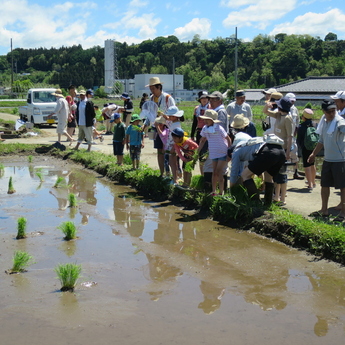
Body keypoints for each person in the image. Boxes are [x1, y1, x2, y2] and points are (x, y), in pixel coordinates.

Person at [308, 100, 345, 221]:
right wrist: (313, 154)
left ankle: (343, 213)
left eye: (333, 111)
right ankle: (324, 210)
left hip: (340, 160)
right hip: (328, 159)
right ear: (324, 112)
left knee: (343, 187)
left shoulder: (340, 122)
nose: (332, 114)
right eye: (329, 112)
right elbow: (321, 141)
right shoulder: (324, 122)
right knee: (324, 185)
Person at [228, 135, 286, 205]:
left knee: (245, 175)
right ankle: (268, 204)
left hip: (268, 152)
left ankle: (256, 202)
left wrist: (231, 189)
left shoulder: (235, 152)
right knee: (269, 177)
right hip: (281, 152)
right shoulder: (247, 146)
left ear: (231, 154)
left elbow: (234, 172)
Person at [263, 96, 293, 205]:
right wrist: (267, 105)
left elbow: (290, 137)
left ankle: (283, 199)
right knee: (275, 172)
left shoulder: (288, 119)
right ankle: (276, 196)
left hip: (283, 149)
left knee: (282, 174)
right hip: (276, 147)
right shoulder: (278, 115)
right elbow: (265, 111)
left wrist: (288, 152)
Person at [145, 76, 176, 176]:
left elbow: (174, 113)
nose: (152, 90)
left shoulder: (168, 98)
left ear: (159, 87)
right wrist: (145, 125)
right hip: (156, 127)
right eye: (150, 88)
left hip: (167, 127)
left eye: (153, 88)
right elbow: (149, 113)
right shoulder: (151, 98)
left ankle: (170, 173)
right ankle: (162, 173)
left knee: (167, 150)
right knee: (159, 150)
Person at [197, 109, 232, 196]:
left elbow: (228, 139)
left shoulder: (219, 128)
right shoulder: (205, 128)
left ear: (212, 120)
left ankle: (221, 192)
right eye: (204, 119)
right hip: (213, 153)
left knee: (219, 172)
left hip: (222, 152)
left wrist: (229, 151)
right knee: (214, 172)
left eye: (207, 119)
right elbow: (202, 140)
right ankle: (213, 191)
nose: (205, 121)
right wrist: (197, 152)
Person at [162, 106, 184, 184]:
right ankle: (176, 178)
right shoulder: (174, 123)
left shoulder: (176, 125)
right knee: (172, 162)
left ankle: (176, 179)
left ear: (175, 116)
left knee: (174, 163)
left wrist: (173, 148)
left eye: (171, 116)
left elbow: (176, 138)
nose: (169, 117)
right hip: (171, 145)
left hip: (173, 146)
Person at [191, 90, 211, 174]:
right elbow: (194, 122)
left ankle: (208, 173)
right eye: (202, 98)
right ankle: (202, 174)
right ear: (200, 99)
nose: (204, 99)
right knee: (200, 154)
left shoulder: (210, 108)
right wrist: (192, 135)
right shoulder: (197, 109)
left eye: (206, 98)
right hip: (199, 132)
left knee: (207, 153)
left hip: (208, 132)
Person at [296, 108, 316, 190]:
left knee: (307, 166)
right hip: (314, 146)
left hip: (305, 147)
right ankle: (314, 182)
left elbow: (299, 139)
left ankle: (310, 184)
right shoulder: (315, 124)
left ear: (304, 117)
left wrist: (299, 146)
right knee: (312, 164)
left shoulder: (301, 126)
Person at [286, 92, 303, 180]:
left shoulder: (295, 109)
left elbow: (297, 121)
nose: (292, 103)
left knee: (294, 153)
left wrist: (296, 130)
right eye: (291, 101)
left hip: (292, 135)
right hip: (284, 135)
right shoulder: (282, 108)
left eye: (293, 101)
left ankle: (295, 172)